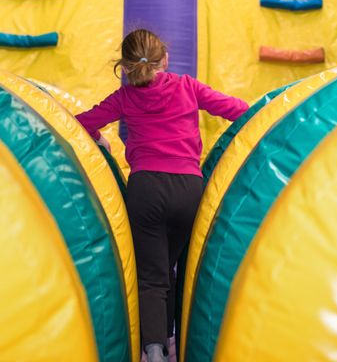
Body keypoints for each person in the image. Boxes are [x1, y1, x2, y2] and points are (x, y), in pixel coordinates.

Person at [74, 29, 249, 362]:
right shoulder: (188, 87)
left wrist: (101, 138)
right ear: (164, 59)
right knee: (175, 269)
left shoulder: (125, 98)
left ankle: (153, 350)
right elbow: (240, 110)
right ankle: (173, 342)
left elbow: (80, 123)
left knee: (152, 277)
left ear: (126, 67)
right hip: (188, 188)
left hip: (146, 190)